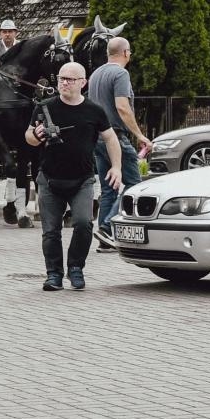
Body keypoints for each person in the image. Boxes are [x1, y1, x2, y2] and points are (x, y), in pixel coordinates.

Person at [27, 62, 123, 291]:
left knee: (83, 223)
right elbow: (28, 136)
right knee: (51, 231)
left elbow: (110, 138)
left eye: (70, 79)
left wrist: (116, 167)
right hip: (49, 179)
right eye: (61, 78)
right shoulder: (44, 107)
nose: (64, 83)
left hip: (82, 180)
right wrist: (36, 135)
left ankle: (76, 268)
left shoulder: (94, 110)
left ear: (83, 82)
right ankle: (53, 275)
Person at [87, 37, 152, 247]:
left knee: (108, 188)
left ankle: (104, 240)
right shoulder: (120, 73)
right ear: (126, 53)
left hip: (96, 137)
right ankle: (107, 226)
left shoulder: (96, 74)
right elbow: (122, 107)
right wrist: (139, 135)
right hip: (115, 137)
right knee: (133, 184)